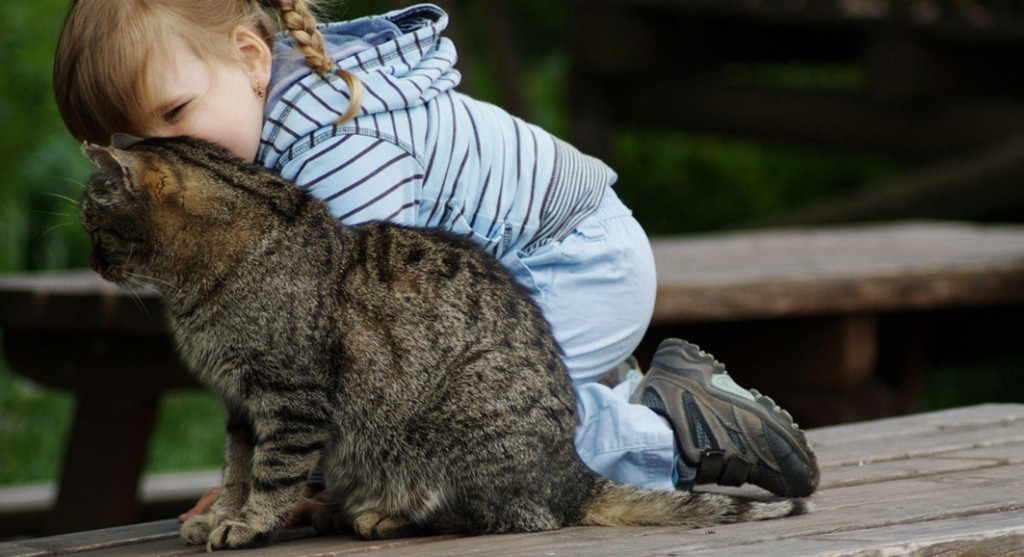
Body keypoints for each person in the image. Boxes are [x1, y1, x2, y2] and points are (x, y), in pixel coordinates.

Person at [53, 0, 819, 524]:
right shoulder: (272, 124)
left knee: (502, 442)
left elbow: (369, 348)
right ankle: (651, 390)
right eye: (135, 145)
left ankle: (681, 431)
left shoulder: (330, 149)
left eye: (176, 114)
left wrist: (284, 482)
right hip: (534, 262)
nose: (167, 156)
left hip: (574, 257)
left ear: (252, 58)